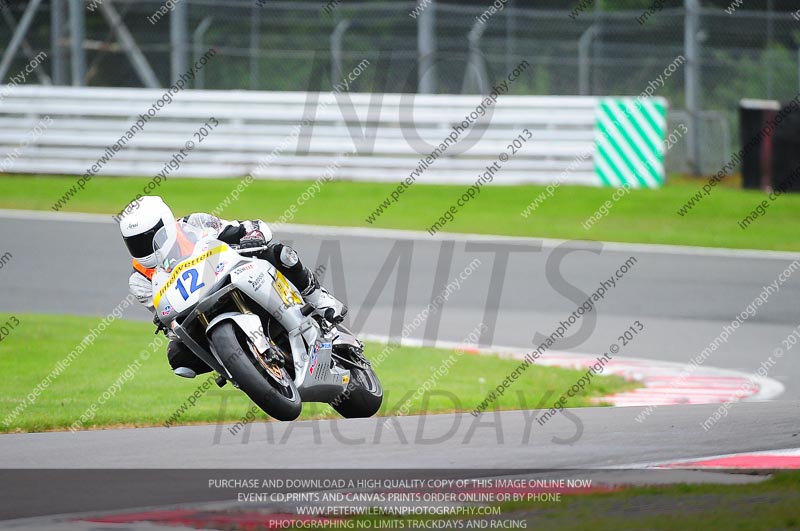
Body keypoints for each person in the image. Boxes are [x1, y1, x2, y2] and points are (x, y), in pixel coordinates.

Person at [118, 196, 346, 378]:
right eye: (134, 243)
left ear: (166, 224)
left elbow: (247, 227)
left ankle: (319, 299)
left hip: (232, 277)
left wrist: (253, 235)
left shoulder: (194, 224)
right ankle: (240, 369)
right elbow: (167, 317)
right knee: (177, 356)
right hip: (197, 312)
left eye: (147, 238)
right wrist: (165, 322)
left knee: (279, 253)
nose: (143, 248)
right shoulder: (139, 280)